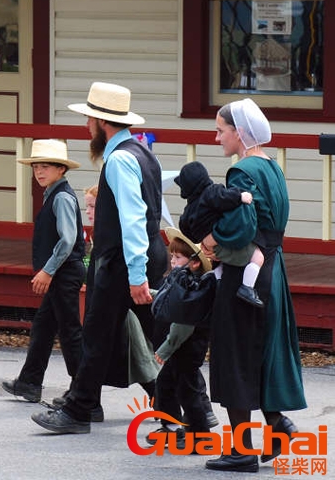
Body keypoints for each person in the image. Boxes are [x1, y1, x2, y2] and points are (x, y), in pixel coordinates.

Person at [31, 81, 168, 434]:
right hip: (142, 254)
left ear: (101, 122)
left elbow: (133, 217)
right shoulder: (143, 154)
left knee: (98, 334)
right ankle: (175, 406)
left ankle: (81, 408)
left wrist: (136, 273)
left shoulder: (121, 159)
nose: (86, 126)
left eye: (89, 119)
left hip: (122, 260)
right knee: (143, 334)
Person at [200, 98, 307, 473]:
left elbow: (241, 226)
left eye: (221, 130)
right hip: (273, 269)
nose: (217, 138)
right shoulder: (273, 168)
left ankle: (242, 450)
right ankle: (278, 425)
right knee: (260, 352)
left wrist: (211, 239)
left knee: (234, 356)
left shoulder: (241, 172)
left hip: (245, 271)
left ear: (239, 132)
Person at [52, 183, 158, 411]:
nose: (88, 212)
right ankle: (89, 400)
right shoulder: (100, 234)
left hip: (116, 304)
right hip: (104, 301)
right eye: (87, 207)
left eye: (92, 207)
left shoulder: (113, 235)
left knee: (136, 359)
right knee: (102, 354)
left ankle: (162, 399)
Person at [1, 139, 85, 403]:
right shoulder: (53, 193)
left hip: (64, 273)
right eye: (36, 166)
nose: (39, 171)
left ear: (61, 169)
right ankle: (29, 382)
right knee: (44, 327)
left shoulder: (60, 197)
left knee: (70, 332)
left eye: (46, 166)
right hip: (59, 272)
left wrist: (47, 271)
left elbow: (68, 240)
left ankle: (84, 393)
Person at [146, 227, 218, 451]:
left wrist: (166, 348)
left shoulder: (192, 287)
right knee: (167, 382)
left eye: (178, 257)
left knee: (188, 392)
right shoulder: (182, 280)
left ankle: (200, 436)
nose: (173, 261)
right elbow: (170, 299)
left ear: (195, 262)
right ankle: (171, 426)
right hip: (181, 348)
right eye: (172, 256)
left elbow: (183, 324)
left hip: (186, 348)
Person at [175, 160, 265, 308]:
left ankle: (215, 280)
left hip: (211, 249)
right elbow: (225, 197)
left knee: (220, 263)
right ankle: (247, 287)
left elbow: (185, 228)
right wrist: (241, 196)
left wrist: (202, 240)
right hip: (223, 243)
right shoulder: (210, 192)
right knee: (257, 255)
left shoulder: (189, 209)